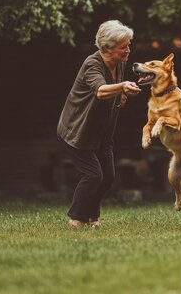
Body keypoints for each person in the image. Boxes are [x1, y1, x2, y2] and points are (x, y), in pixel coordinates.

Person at [57, 20, 141, 228]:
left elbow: (114, 94)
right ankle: (76, 218)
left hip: (101, 133)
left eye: (128, 45)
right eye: (124, 46)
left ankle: (93, 217)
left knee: (108, 177)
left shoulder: (118, 64)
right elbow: (101, 91)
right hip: (77, 130)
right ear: (107, 48)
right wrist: (122, 86)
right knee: (94, 175)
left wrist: (123, 93)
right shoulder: (92, 64)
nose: (128, 50)